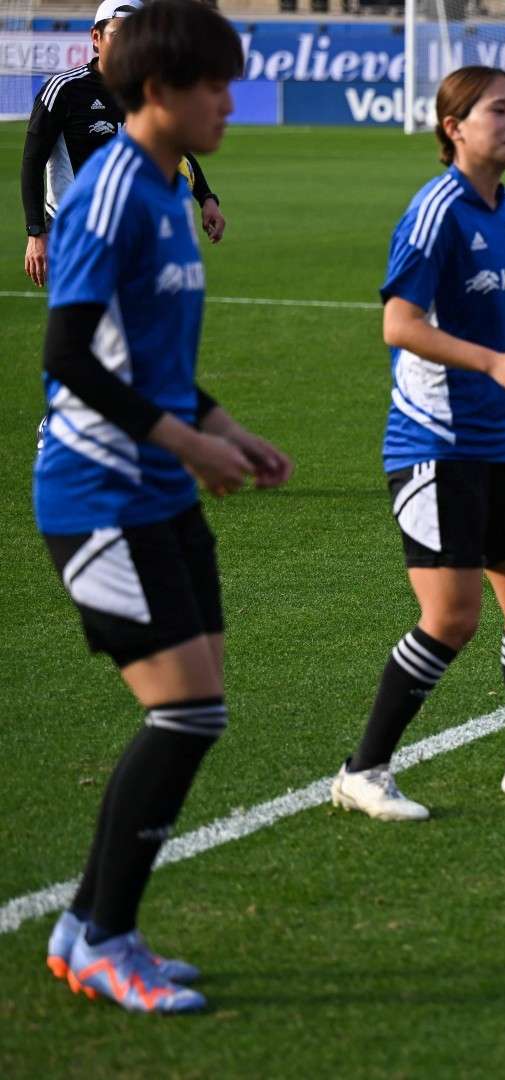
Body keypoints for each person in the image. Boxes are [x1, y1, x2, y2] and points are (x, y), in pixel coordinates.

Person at [37, 0, 290, 1013]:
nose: (229, 102)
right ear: (157, 91)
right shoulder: (107, 197)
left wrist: (223, 426)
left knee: (199, 706)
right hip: (100, 495)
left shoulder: (164, 185)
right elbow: (66, 357)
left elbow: (151, 361)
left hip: (157, 488)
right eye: (211, 85)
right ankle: (106, 937)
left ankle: (84, 923)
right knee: (184, 712)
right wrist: (187, 444)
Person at [331, 67, 505, 821]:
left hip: (498, 443)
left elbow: (482, 301)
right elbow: (401, 323)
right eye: (499, 110)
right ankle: (364, 770)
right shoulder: (437, 209)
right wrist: (496, 361)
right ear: (454, 125)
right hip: (432, 443)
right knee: (451, 618)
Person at [21, 0, 224, 288]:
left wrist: (207, 199)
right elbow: (32, 161)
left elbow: (173, 150)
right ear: (96, 38)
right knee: (89, 323)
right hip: (75, 232)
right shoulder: (63, 90)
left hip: (131, 230)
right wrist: (35, 232)